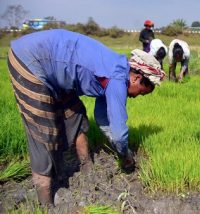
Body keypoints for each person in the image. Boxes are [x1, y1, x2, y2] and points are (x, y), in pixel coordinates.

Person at [7, 29, 165, 206]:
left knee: (75, 115)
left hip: (55, 68)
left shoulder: (116, 68)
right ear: (136, 78)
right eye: (141, 93)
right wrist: (125, 154)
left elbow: (103, 118)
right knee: (44, 130)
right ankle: (45, 203)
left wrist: (115, 142)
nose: (136, 97)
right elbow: (120, 133)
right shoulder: (117, 80)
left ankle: (87, 168)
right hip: (30, 59)